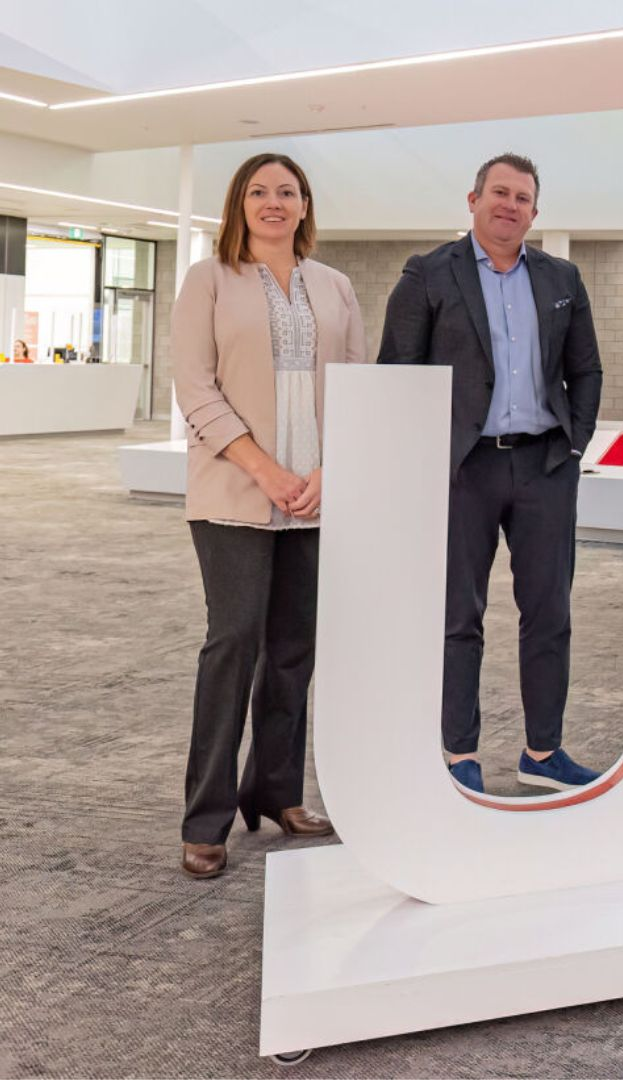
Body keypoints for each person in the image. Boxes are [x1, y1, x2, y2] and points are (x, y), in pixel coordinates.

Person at [378, 153, 604, 795]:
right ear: (473, 199)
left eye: (522, 197)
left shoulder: (561, 277)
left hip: (545, 465)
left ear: (535, 211)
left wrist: (573, 446)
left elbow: (586, 369)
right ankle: (459, 753)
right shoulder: (428, 273)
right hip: (464, 468)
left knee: (549, 612)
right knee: (459, 614)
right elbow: (397, 372)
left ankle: (543, 752)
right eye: (499, 193)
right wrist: (423, 461)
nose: (510, 205)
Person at [172, 152, 365, 879]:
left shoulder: (335, 286)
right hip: (233, 494)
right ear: (240, 204)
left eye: (287, 191)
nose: (273, 202)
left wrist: (326, 472)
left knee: (292, 651)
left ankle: (277, 791)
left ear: (305, 205)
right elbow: (195, 388)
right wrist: (267, 471)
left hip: (316, 498)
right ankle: (206, 819)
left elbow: (358, 385)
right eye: (259, 192)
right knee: (234, 645)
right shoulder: (208, 279)